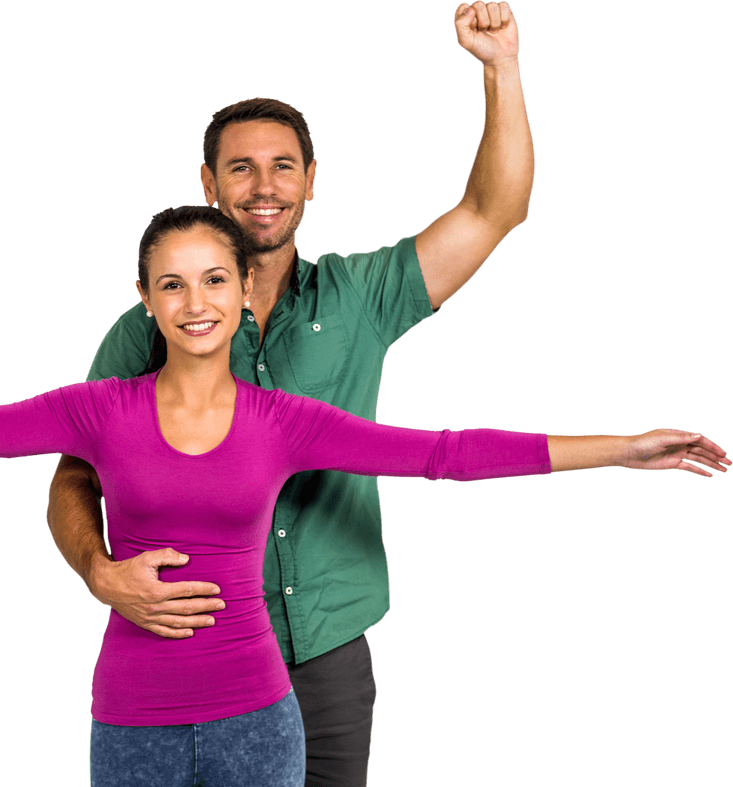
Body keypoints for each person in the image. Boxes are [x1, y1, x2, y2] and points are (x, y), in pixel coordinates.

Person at [0, 206, 728, 787]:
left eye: (214, 278)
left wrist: (620, 447)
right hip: (130, 722)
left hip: (260, 720)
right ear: (146, 298)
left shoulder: (285, 423)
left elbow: (445, 453)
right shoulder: (98, 407)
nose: (195, 300)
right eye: (171, 282)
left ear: (239, 288)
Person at [48, 4, 535, 784]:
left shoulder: (362, 295)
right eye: (240, 167)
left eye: (283, 165)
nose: (262, 186)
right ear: (208, 183)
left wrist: (500, 66)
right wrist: (99, 570)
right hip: (190, 651)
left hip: (327, 652)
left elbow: (492, 211)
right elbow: (74, 471)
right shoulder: (152, 326)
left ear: (312, 182)